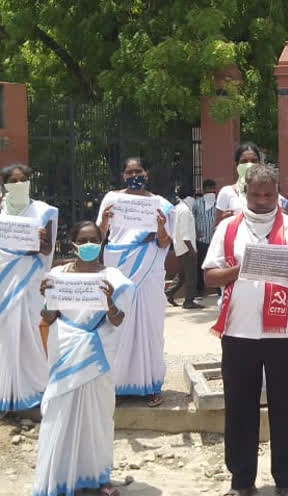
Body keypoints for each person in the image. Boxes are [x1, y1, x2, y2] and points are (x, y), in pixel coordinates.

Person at [203, 163, 288, 496]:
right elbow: (209, 276)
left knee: (286, 407)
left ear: (277, 193)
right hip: (239, 332)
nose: (263, 201)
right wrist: (236, 271)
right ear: (244, 193)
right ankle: (241, 482)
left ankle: (287, 480)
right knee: (239, 408)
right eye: (256, 195)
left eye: (269, 194)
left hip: (284, 334)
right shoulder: (228, 228)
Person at [33, 221, 134, 496]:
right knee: (60, 414)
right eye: (84, 239)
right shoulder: (57, 275)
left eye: (95, 240)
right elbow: (48, 318)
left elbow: (118, 320)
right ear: (74, 243)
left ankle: (98, 477)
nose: (90, 245)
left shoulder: (113, 277)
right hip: (65, 349)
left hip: (98, 352)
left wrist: (110, 302)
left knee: (98, 417)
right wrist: (47, 299)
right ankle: (65, 478)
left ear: (102, 243)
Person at [96, 157, 174, 407]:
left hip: (148, 268)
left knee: (149, 326)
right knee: (118, 324)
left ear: (146, 173)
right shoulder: (112, 199)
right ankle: (117, 386)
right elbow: (98, 235)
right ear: (123, 175)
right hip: (118, 265)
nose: (134, 175)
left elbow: (164, 243)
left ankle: (150, 385)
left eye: (138, 170)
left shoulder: (161, 204)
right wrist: (106, 221)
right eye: (129, 172)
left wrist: (161, 227)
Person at [0, 163, 58, 413]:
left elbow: (47, 250)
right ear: (5, 185)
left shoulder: (43, 211)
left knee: (32, 332)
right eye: (13, 181)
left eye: (23, 180)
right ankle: (6, 391)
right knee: (5, 333)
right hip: (4, 277)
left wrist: (41, 242)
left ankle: (34, 389)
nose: (19, 184)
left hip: (31, 277)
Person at [216, 143, 287, 227]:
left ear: (259, 163)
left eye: (253, 161)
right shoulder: (227, 192)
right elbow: (217, 228)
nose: (249, 165)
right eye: (244, 161)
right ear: (236, 165)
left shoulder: (271, 193)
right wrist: (224, 223)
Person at [166, 187, 203, 309]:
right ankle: (189, 301)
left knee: (182, 274)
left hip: (179, 246)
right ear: (189, 197)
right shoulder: (185, 211)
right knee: (191, 276)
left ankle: (169, 293)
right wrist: (192, 250)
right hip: (187, 248)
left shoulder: (177, 209)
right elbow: (184, 232)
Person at [195, 179, 217, 296]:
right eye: (208, 190)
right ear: (204, 190)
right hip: (202, 240)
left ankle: (219, 290)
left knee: (218, 265)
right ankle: (199, 290)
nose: (211, 192)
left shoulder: (218, 203)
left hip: (216, 240)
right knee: (200, 266)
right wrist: (194, 232)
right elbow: (191, 218)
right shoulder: (197, 203)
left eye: (213, 189)